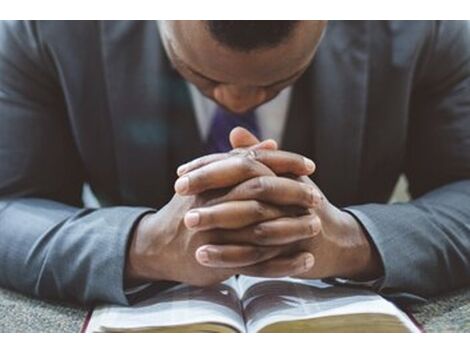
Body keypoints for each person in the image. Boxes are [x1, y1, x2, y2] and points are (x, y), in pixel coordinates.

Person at [0, 20, 468, 306]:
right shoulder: (44, 25)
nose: (238, 100)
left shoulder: (430, 25)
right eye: (204, 73)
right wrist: (142, 246)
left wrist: (353, 240)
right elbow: (10, 206)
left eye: (278, 79)